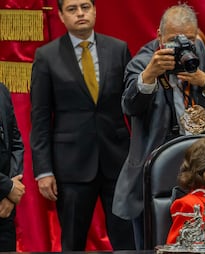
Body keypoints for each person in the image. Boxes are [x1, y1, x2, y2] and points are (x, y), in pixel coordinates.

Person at [111, 3, 205, 249]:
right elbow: (129, 107)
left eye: (189, 38)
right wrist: (149, 75)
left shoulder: (198, 54)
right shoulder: (142, 61)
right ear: (159, 36)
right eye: (174, 40)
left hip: (197, 166)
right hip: (153, 167)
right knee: (153, 243)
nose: (182, 46)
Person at [30, 0, 135, 250]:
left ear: (95, 10)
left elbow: (131, 107)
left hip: (117, 161)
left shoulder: (118, 49)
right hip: (71, 166)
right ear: (61, 16)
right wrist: (44, 171)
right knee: (73, 242)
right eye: (72, 9)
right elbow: (41, 118)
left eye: (85, 7)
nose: (80, 14)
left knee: (127, 240)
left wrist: (138, 157)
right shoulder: (46, 56)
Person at [0, 83, 25, 251]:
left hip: (4, 210)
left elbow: (16, 144)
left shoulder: (2, 90)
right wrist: (7, 187)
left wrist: (10, 194)